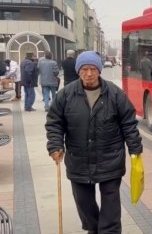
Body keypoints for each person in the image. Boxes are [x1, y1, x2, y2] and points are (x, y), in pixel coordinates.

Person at [46, 51, 143, 233]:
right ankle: (93, 228)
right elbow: (54, 123)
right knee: (84, 203)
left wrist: (135, 150)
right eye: (84, 69)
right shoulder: (66, 95)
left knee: (111, 206)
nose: (89, 73)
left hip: (110, 159)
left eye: (92, 69)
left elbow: (129, 123)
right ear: (78, 71)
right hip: (78, 160)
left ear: (99, 70)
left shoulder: (115, 94)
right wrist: (55, 145)